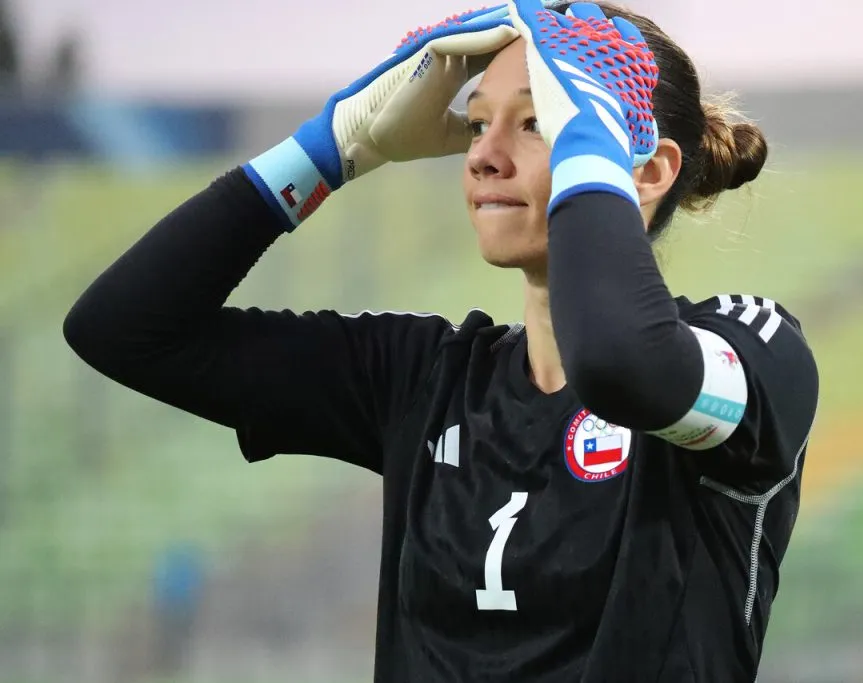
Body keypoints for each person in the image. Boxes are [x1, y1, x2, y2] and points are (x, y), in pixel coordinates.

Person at [64, 1, 819, 681]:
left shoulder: (756, 350)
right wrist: (331, 148)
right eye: (478, 119)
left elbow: (624, 362)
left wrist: (594, 146)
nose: (485, 154)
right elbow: (125, 330)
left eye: (536, 122)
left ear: (647, 169)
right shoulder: (427, 377)